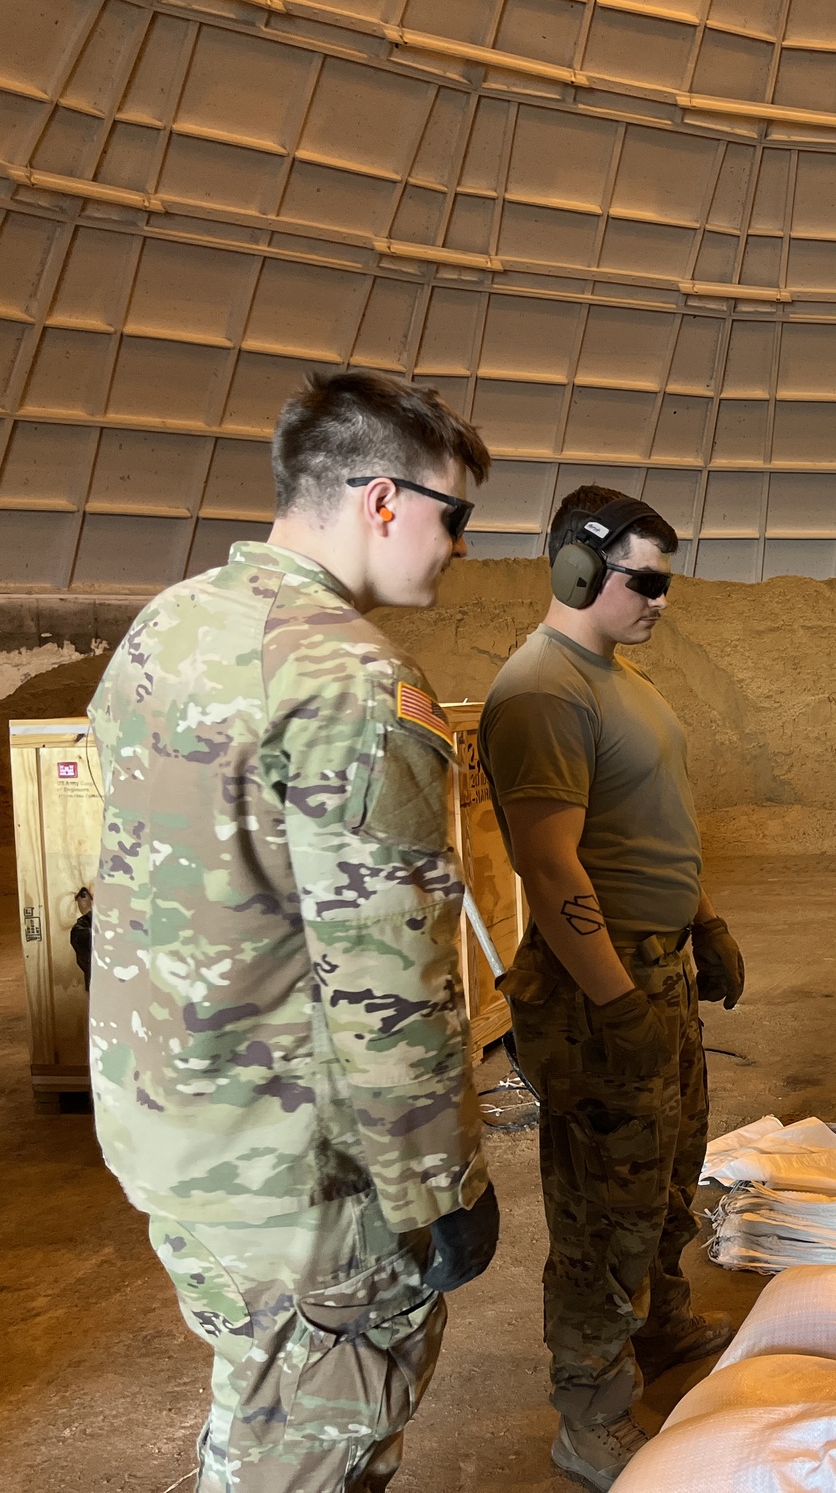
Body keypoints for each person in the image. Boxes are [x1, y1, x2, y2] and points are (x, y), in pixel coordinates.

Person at [87, 369, 497, 1491]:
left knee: (261, 1385)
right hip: (291, 1167)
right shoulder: (354, 684)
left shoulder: (167, 626)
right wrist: (439, 1189)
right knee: (325, 1421)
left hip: (168, 1122)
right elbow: (388, 981)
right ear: (381, 501)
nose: (458, 547)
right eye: (453, 517)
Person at [481, 486, 746, 1492]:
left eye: (666, 583)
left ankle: (662, 1323)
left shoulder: (617, 677)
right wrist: (616, 1001)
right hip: (603, 986)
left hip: (655, 963)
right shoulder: (545, 690)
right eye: (645, 580)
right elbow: (551, 869)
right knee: (602, 1211)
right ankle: (588, 1412)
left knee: (668, 1171)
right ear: (575, 572)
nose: (660, 600)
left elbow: (652, 828)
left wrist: (702, 921)